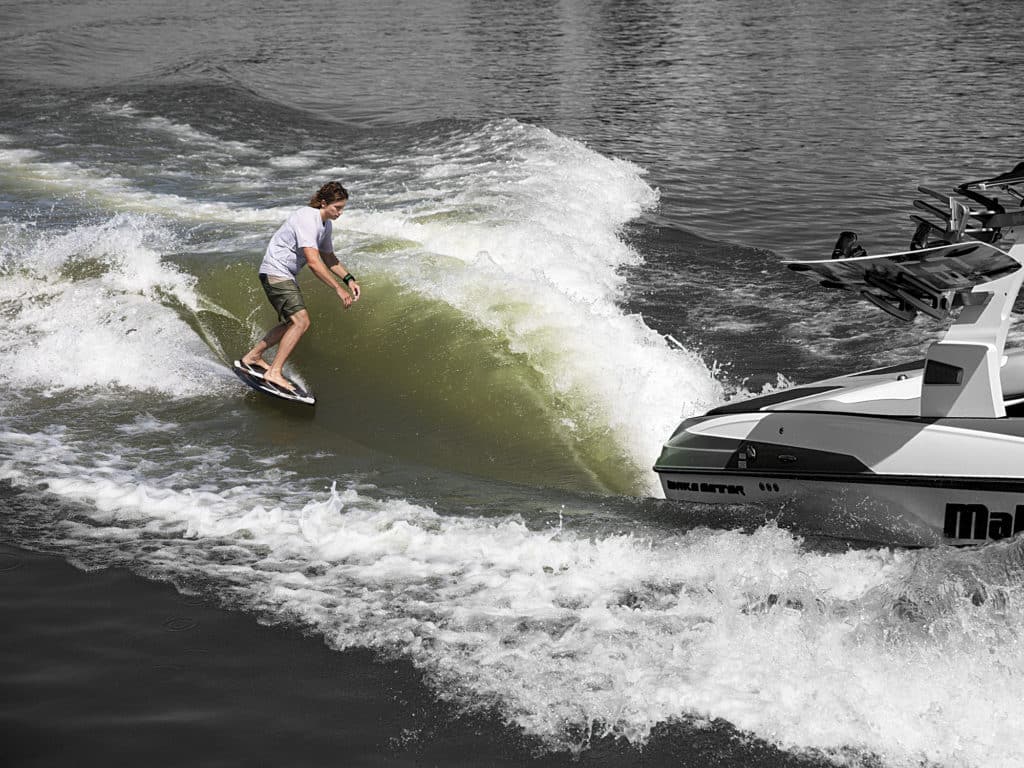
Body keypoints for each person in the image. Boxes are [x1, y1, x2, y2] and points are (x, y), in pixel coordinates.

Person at [241, 181, 360, 392]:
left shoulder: (325, 225)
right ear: (323, 203)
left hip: (283, 274)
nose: (340, 213)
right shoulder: (307, 218)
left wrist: (348, 279)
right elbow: (314, 262)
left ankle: (253, 356)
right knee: (301, 321)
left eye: (342, 208)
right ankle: (274, 372)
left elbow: (329, 257)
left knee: (292, 322)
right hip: (275, 271)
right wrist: (337, 289)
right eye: (337, 207)